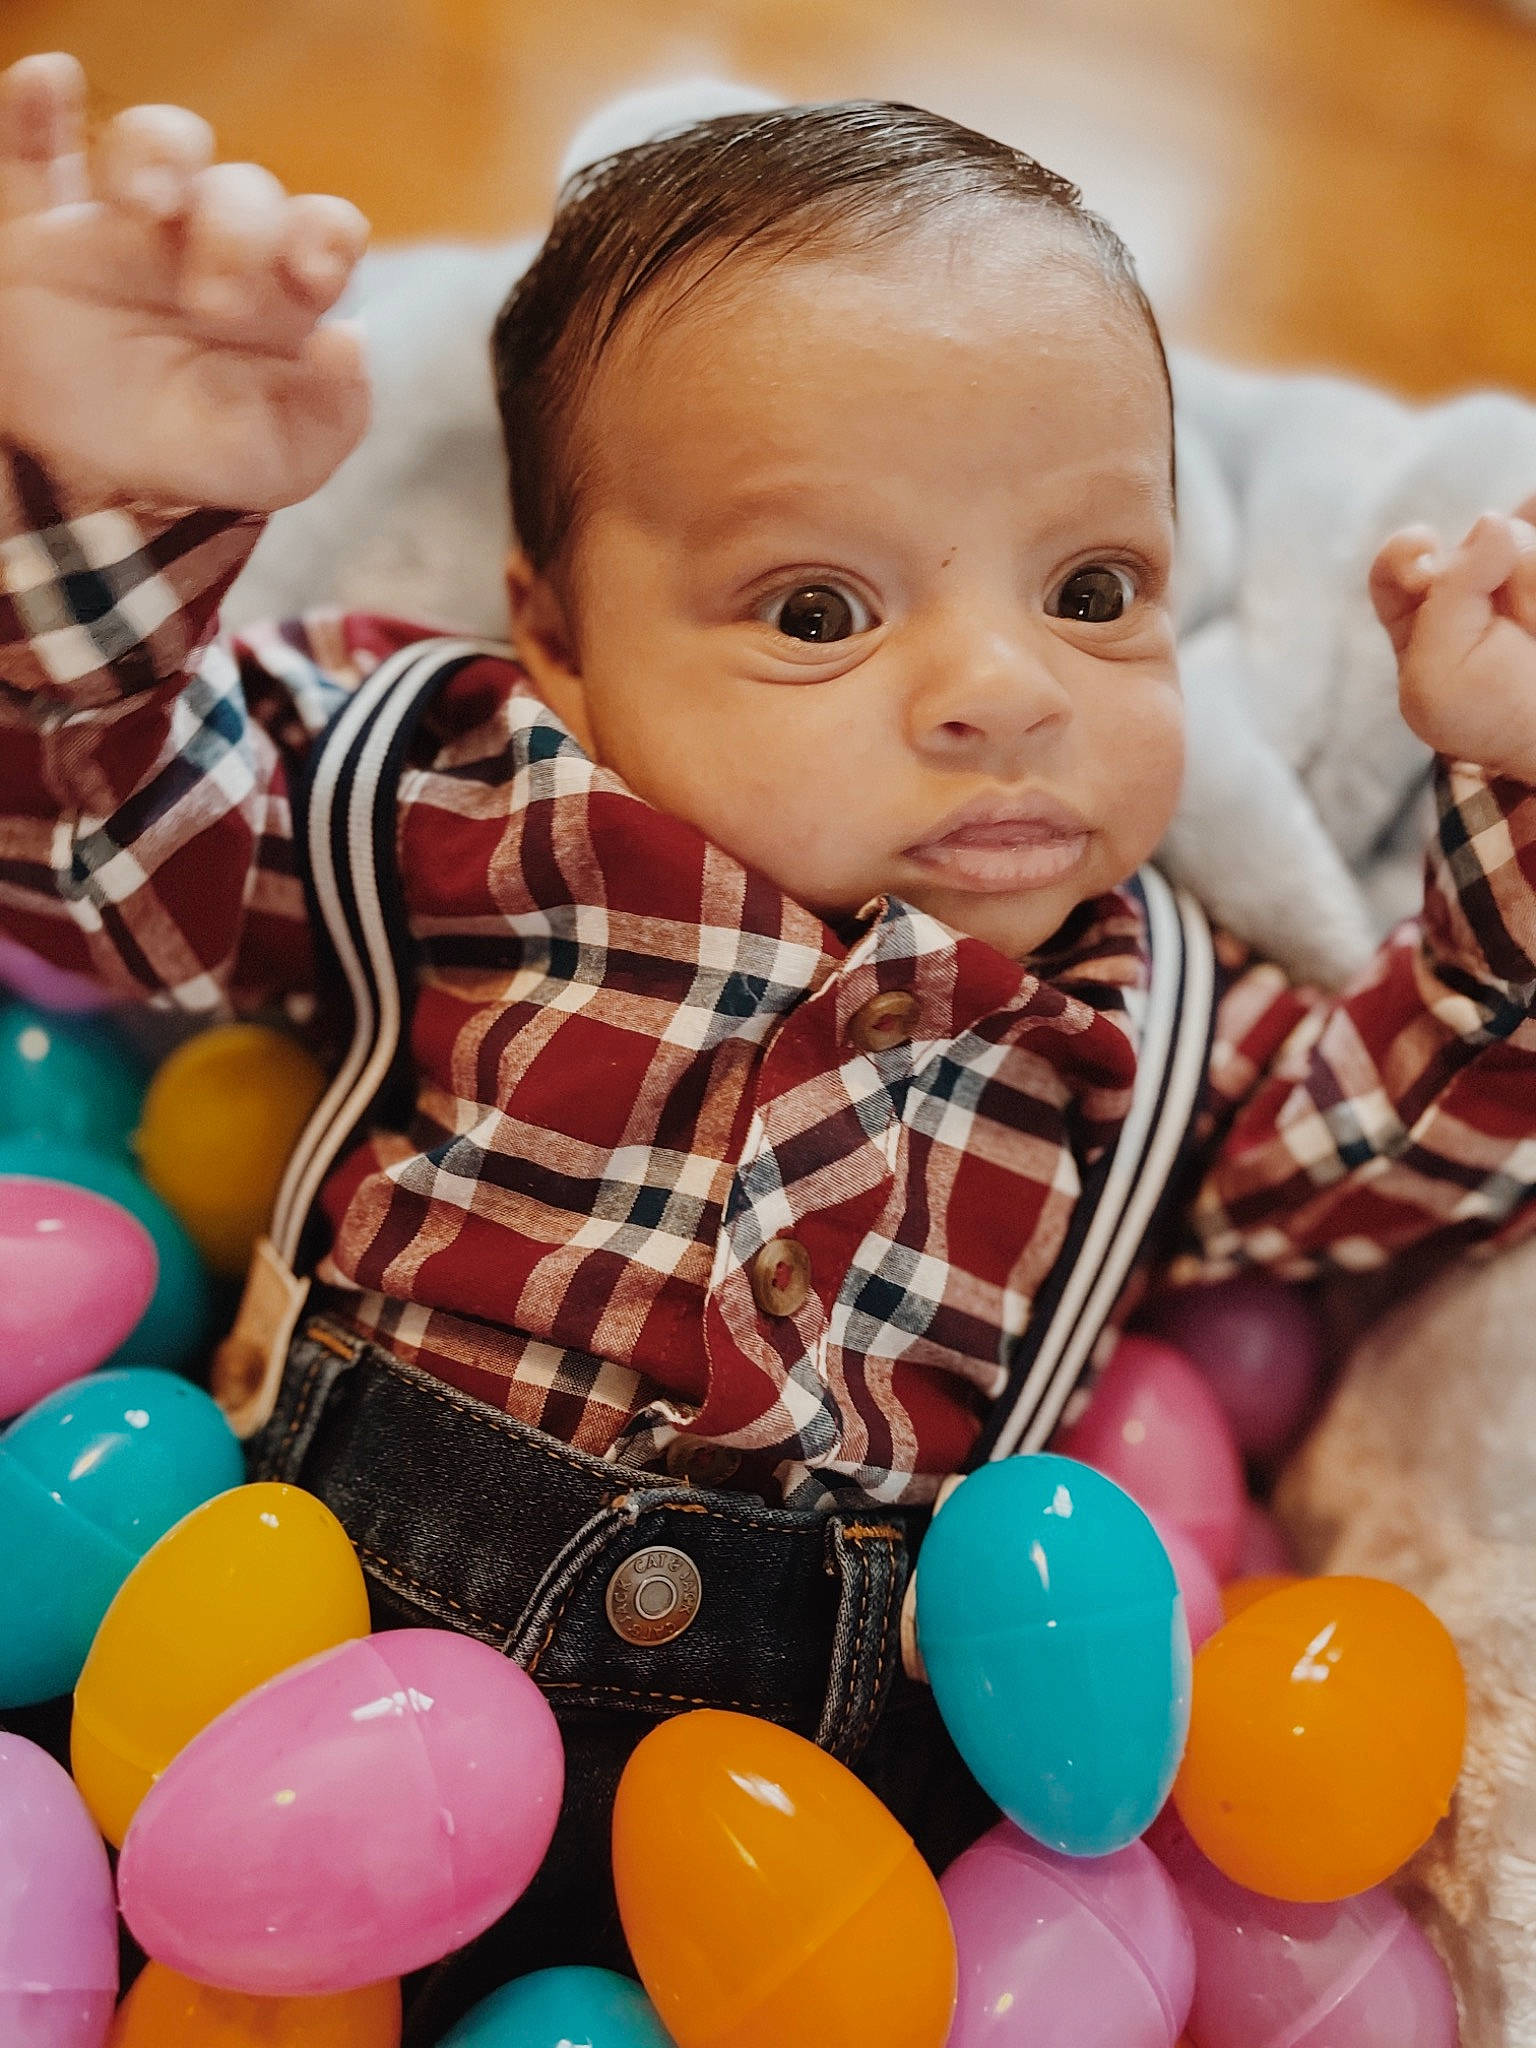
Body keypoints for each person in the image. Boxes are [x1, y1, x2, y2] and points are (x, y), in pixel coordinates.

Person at [2, 49, 1534, 2040]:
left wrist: (1505, 801)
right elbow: (98, 843)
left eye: (1095, 590)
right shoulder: (470, 784)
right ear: (553, 634)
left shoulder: (1148, 1011)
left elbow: (1397, 1143)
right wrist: (115, 508)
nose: (999, 690)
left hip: (833, 1820)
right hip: (295, 1677)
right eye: (817, 608)